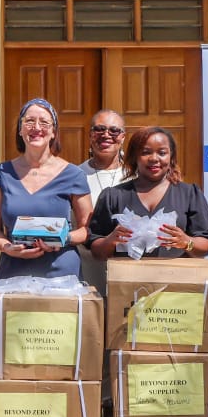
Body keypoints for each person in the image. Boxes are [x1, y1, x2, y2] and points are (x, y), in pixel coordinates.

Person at [0, 98, 92, 280]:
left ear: (53, 132)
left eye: (44, 122)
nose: (36, 127)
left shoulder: (74, 174)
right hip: (13, 273)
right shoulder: (2, 173)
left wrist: (63, 239)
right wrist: (8, 248)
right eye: (29, 121)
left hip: (61, 275)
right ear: (20, 129)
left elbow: (87, 229)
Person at [88, 126, 208, 260]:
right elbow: (97, 252)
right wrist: (110, 240)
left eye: (162, 153)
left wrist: (187, 242)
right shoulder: (113, 196)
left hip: (176, 277)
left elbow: (206, 246)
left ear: (171, 156)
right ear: (134, 157)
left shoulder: (189, 194)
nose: (154, 158)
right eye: (146, 152)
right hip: (128, 278)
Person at [78, 109, 128, 294]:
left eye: (114, 130)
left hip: (127, 269)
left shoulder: (137, 175)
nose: (106, 135)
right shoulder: (75, 175)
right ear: (90, 135)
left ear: (123, 137)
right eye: (99, 129)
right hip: (87, 269)